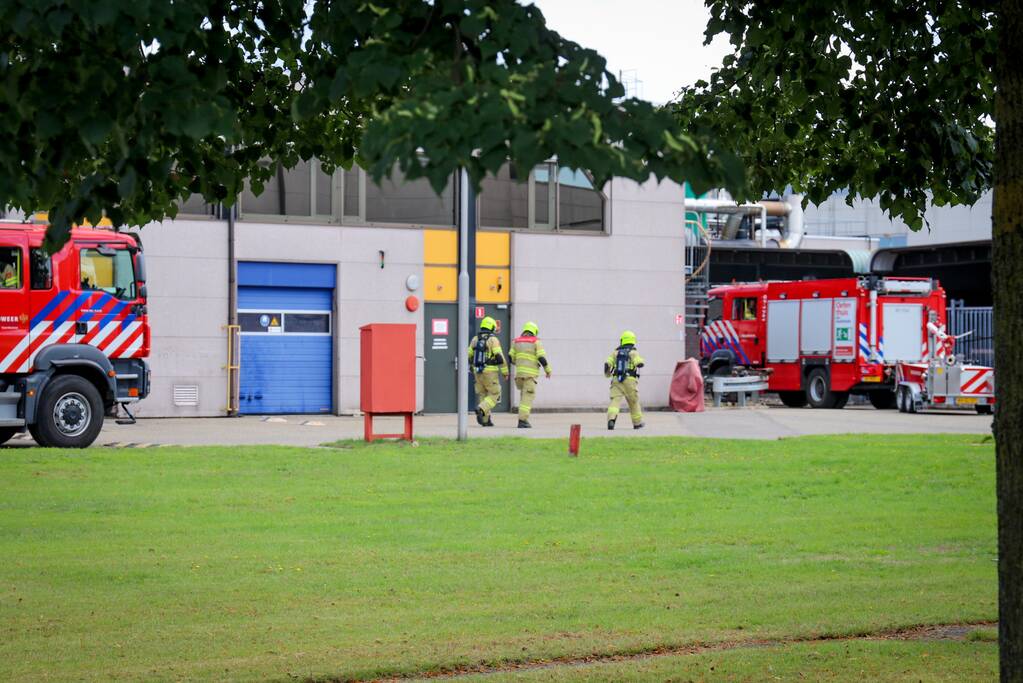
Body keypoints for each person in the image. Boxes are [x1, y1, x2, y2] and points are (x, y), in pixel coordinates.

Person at [509, 321, 551, 429]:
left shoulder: (516, 341)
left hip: (519, 376)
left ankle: (522, 419)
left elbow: (511, 358)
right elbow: (541, 358)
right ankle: (522, 421)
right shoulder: (536, 342)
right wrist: (547, 370)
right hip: (530, 376)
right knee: (527, 399)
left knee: (523, 397)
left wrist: (518, 362)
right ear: (534, 331)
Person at [468, 316, 508, 426]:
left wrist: (472, 368)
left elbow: (469, 355)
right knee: (495, 393)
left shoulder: (475, 339)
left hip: (478, 372)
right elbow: (500, 357)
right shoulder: (493, 339)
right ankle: (481, 408)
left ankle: (485, 421)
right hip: (490, 372)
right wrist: (505, 372)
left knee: (482, 395)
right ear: (491, 327)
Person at [605, 330, 645, 430]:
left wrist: (608, 372)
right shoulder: (633, 352)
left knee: (615, 401)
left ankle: (611, 420)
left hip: (616, 380)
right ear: (632, 340)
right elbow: (638, 362)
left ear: (622, 340)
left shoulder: (615, 352)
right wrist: (640, 363)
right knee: (633, 402)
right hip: (630, 381)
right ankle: (637, 423)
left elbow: (607, 363)